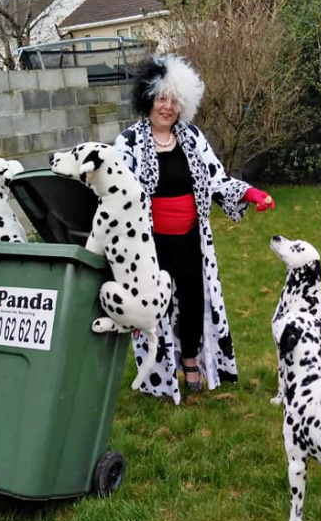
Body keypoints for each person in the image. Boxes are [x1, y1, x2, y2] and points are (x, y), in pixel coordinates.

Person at [113, 53, 275, 404]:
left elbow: (217, 178)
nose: (167, 107)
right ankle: (158, 369)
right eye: (161, 98)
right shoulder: (127, 142)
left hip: (190, 238)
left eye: (173, 100)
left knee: (191, 300)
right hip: (149, 244)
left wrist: (249, 192)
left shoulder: (191, 137)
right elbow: (116, 190)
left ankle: (190, 360)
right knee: (157, 306)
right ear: (147, 99)